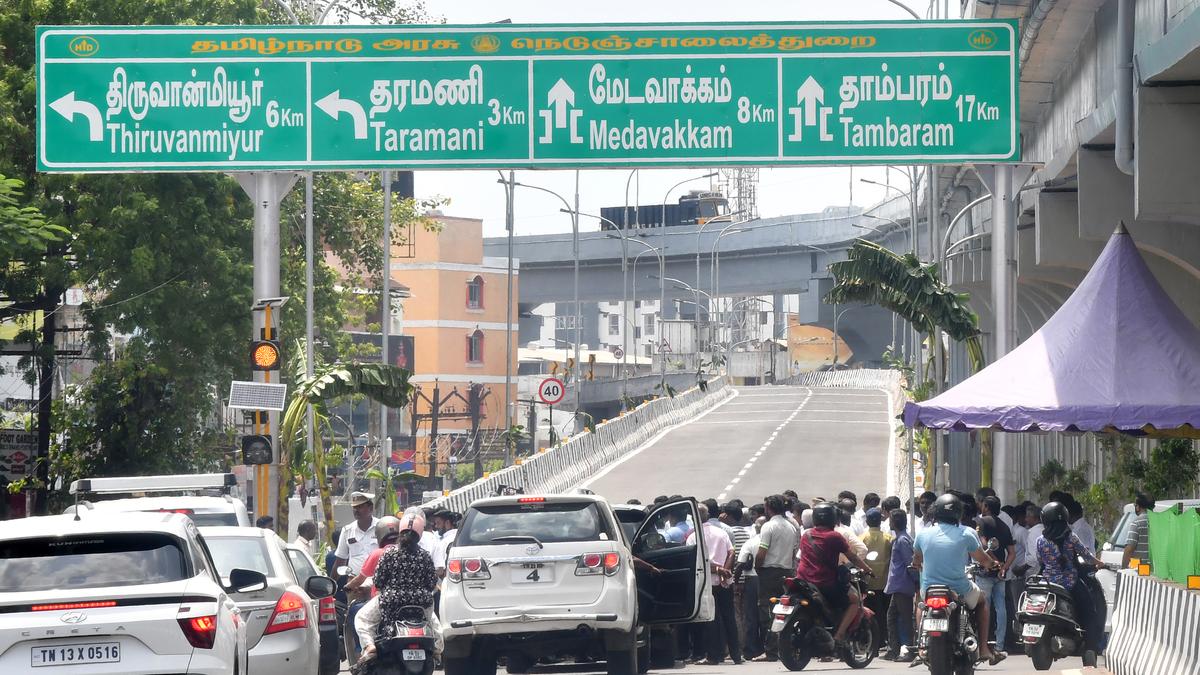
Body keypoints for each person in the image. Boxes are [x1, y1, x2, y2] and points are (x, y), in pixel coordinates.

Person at [912, 493, 1004, 665]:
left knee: (920, 604)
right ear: (959, 513)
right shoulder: (966, 533)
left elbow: (916, 560)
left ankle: (922, 645)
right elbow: (983, 559)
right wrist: (993, 564)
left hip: (930, 589)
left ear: (936, 512)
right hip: (959, 589)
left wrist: (917, 564)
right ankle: (983, 648)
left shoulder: (923, 535)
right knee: (983, 601)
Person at [356, 512, 441, 663]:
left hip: (391, 602)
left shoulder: (389, 554)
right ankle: (436, 649)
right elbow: (431, 583)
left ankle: (369, 647)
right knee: (435, 626)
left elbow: (379, 581)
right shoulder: (425, 556)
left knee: (362, 618)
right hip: (422, 604)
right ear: (420, 534)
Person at [794, 501, 874, 648]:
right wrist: (868, 569)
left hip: (803, 581)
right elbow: (853, 557)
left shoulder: (807, 535)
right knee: (855, 599)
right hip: (825, 583)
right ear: (832, 518)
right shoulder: (834, 536)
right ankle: (839, 634)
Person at [1035, 502, 1104, 655]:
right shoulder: (1071, 537)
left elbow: (1040, 561)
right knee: (1090, 612)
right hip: (1070, 583)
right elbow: (1087, 556)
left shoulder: (1040, 540)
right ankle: (1091, 648)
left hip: (1047, 583)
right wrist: (1100, 563)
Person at [689, 504, 740, 665]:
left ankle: (713, 656)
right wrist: (724, 570)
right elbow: (732, 552)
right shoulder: (721, 533)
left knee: (711, 620)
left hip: (707, 583)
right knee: (728, 618)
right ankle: (736, 654)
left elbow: (697, 561)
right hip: (724, 582)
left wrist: (719, 570)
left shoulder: (693, 536)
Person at [335, 492, 380, 667]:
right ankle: (359, 657)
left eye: (360, 507)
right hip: (355, 584)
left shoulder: (381, 527)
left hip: (380, 582)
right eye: (354, 508)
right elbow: (340, 559)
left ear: (370, 508)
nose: (357, 510)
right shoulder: (347, 530)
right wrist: (330, 584)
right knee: (355, 620)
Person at [753, 495, 798, 662]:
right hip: (787, 572)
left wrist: (758, 568)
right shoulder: (791, 526)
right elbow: (794, 553)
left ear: (769, 508)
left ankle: (771, 651)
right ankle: (784, 648)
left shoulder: (768, 526)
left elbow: (762, 553)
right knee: (785, 612)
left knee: (768, 612)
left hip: (769, 573)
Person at [975, 515, 1014, 653]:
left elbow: (984, 545)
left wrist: (994, 562)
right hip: (1000, 575)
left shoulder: (982, 522)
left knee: (983, 608)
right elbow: (1012, 553)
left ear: (985, 506)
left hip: (985, 574)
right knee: (1001, 608)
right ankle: (999, 645)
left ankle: (982, 644)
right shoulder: (1005, 526)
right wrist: (1003, 567)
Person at [883, 510, 916, 662]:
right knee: (892, 616)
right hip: (898, 585)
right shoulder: (900, 539)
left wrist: (916, 583)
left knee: (905, 618)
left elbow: (911, 564)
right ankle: (894, 649)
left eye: (890, 520)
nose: (889, 522)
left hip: (903, 584)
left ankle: (909, 649)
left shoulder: (903, 541)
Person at [735, 516, 766, 660]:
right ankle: (767, 647)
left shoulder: (751, 542)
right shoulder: (771, 541)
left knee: (750, 616)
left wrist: (737, 582)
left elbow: (741, 564)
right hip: (769, 579)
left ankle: (751, 650)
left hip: (751, 579)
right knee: (766, 615)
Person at [861, 507, 893, 648]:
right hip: (884, 582)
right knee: (884, 613)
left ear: (867, 521)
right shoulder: (888, 539)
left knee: (869, 613)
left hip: (868, 583)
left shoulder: (861, 538)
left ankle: (871, 640)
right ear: (880, 521)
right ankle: (883, 640)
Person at [1122, 492, 1155, 570]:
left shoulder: (1136, 523)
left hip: (1139, 569)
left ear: (1138, 507)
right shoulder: (1160, 522)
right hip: (1156, 570)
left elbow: (1129, 549)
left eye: (1135, 505)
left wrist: (1123, 569)